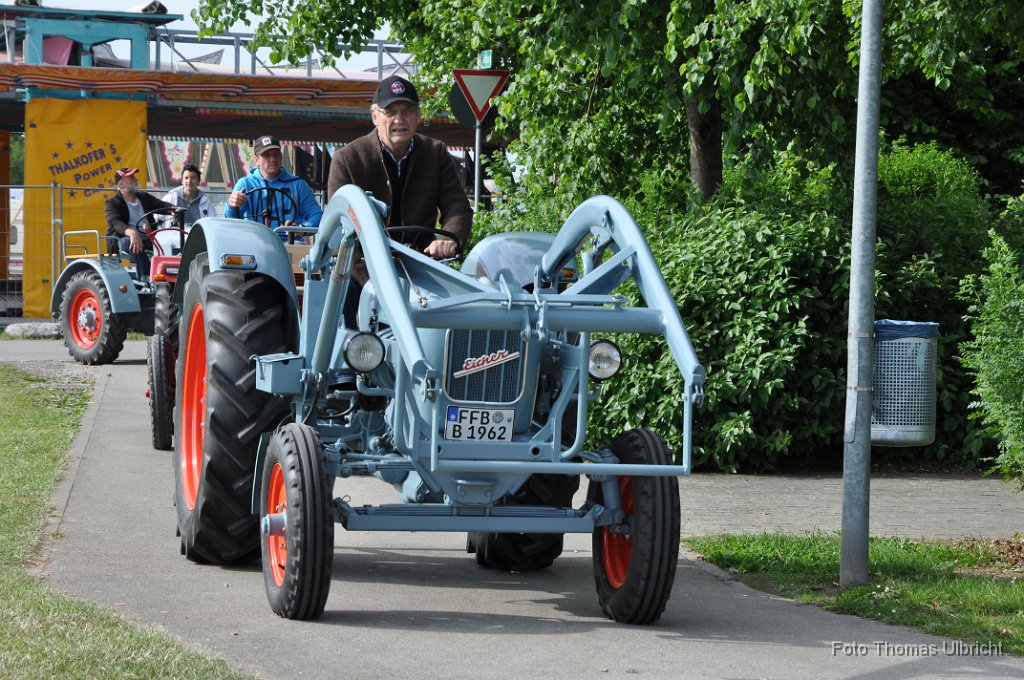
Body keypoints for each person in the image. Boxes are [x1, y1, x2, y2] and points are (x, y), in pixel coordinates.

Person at [327, 75, 472, 326]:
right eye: (390, 112)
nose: (399, 120)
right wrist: (373, 282)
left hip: (421, 267)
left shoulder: (436, 153)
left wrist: (449, 236)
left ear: (417, 117)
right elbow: (340, 231)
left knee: (462, 309)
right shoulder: (348, 159)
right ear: (375, 117)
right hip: (363, 269)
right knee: (345, 323)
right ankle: (345, 358)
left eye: (407, 111)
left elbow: (457, 205)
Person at [225, 136, 323, 239]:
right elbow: (231, 221)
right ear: (257, 159)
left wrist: (302, 229)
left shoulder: (298, 185)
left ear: (281, 156)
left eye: (276, 154)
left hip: (290, 245)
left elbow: (317, 215)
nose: (273, 159)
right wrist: (231, 205)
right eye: (267, 155)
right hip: (253, 244)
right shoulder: (245, 184)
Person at [104, 167, 177, 278]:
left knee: (166, 245)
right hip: (122, 239)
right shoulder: (113, 203)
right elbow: (115, 223)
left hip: (148, 237)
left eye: (134, 176)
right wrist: (132, 233)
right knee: (132, 242)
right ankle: (147, 276)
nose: (135, 179)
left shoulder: (143, 197)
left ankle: (169, 275)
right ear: (121, 185)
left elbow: (161, 205)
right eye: (131, 177)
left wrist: (173, 209)